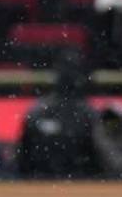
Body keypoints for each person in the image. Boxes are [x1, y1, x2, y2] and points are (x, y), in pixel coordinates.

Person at [17, 51, 103, 179]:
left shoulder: (37, 109)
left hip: (38, 180)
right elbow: (100, 156)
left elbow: (22, 156)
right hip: (80, 181)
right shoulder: (88, 113)